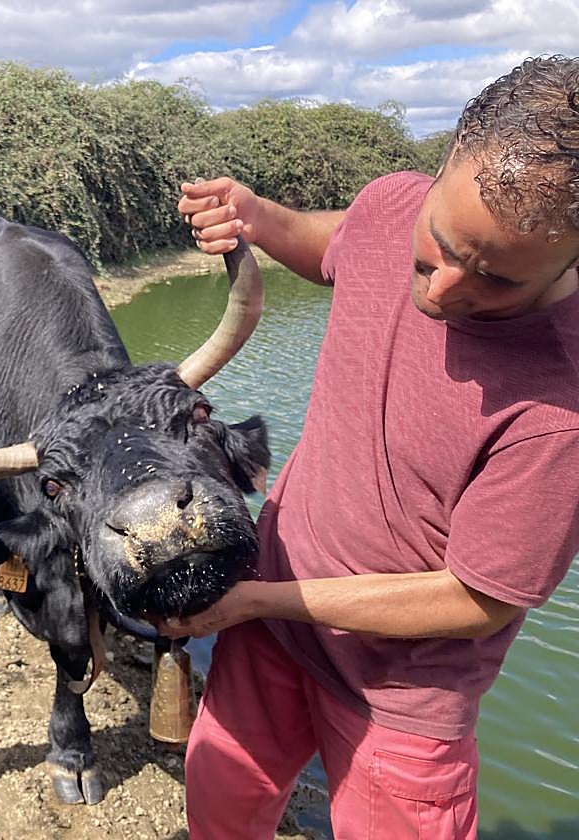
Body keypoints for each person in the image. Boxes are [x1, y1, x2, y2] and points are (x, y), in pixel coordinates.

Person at [160, 55, 579, 838]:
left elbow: (477, 599)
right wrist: (258, 217)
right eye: (440, 245)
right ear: (445, 162)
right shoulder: (392, 206)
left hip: (399, 696)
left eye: (494, 280)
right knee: (218, 810)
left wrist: (251, 599)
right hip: (270, 632)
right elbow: (335, 246)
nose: (442, 291)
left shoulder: (561, 408)